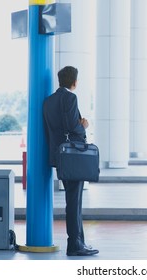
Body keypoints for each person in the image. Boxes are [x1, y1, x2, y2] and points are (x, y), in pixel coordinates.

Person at [43, 66, 99, 256]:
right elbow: (71, 126)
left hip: (59, 156)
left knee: (72, 200)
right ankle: (74, 245)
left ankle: (78, 242)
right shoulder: (70, 98)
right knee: (74, 202)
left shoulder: (49, 101)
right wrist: (83, 125)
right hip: (72, 156)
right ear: (74, 82)